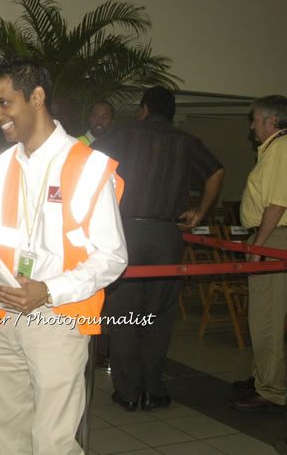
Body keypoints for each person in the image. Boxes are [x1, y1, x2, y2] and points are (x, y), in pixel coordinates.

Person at [0, 56, 128, 454]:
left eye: (4, 103)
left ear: (36, 97)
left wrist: (48, 290)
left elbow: (112, 256)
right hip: (2, 314)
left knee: (52, 440)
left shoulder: (88, 166)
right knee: (6, 429)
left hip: (58, 319)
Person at [92, 86, 224, 412]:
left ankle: (127, 392)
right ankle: (153, 389)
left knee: (124, 313)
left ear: (144, 108)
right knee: (158, 315)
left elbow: (87, 162)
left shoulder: (123, 132)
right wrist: (200, 212)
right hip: (168, 234)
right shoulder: (185, 140)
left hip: (128, 233)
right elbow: (217, 171)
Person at [230, 95, 287, 413]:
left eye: (255, 119)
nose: (251, 125)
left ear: (271, 121)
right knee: (264, 315)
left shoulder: (280, 148)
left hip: (274, 238)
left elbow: (277, 203)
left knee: (267, 316)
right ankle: (262, 377)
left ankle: (271, 389)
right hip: (272, 237)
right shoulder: (275, 149)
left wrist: (259, 246)